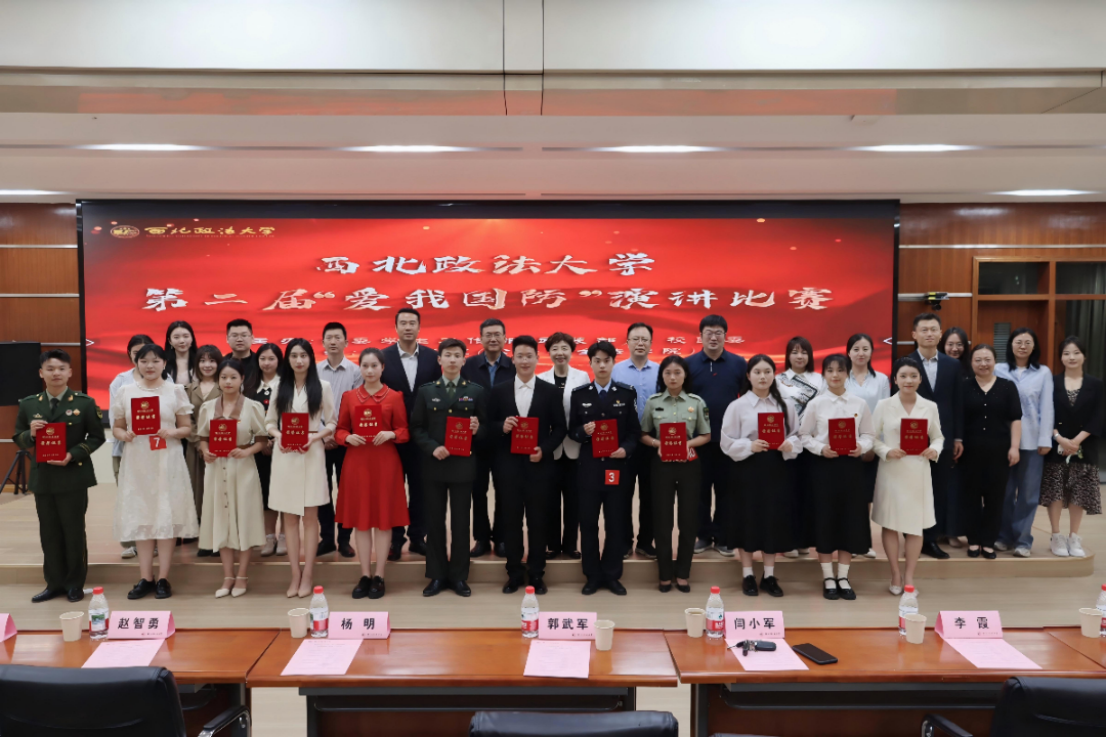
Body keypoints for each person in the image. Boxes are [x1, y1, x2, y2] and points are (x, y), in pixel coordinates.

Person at [14, 350, 105, 604]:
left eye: (61, 368)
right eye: (50, 369)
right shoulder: (29, 404)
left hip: (73, 475)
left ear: (70, 372)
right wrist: (30, 434)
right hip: (44, 478)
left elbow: (96, 437)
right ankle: (53, 583)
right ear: (41, 373)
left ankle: (74, 584)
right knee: (49, 532)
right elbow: (18, 437)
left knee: (73, 532)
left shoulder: (84, 403)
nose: (56, 373)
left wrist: (72, 454)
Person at [111, 344, 198, 600]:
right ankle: (145, 577)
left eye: (155, 360)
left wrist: (172, 431)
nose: (150, 365)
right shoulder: (126, 391)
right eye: (144, 361)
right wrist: (124, 435)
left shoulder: (175, 390)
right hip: (137, 461)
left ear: (164, 363)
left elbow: (186, 428)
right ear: (136, 363)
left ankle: (163, 578)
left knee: (165, 516)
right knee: (143, 516)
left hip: (167, 460)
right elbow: (117, 427)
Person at [488, 336, 567, 595]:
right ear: (513, 359)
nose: (524, 361)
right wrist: (502, 427)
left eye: (529, 356)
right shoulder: (499, 390)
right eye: (520, 356)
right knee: (510, 522)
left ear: (537, 359)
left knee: (537, 522)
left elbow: (560, 428)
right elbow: (487, 426)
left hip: (539, 468)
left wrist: (544, 449)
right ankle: (513, 573)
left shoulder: (550, 391)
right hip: (508, 468)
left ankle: (536, 574)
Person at [410, 338, 487, 598]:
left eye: (457, 355)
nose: (452, 359)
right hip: (434, 465)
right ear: (439, 360)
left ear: (464, 360)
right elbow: (417, 427)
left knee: (461, 523)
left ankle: (459, 576)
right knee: (434, 522)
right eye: (447, 355)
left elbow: (486, 429)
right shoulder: (426, 391)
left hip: (463, 467)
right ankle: (437, 575)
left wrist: (477, 430)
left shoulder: (475, 391)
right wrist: (432, 447)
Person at [719, 354, 800, 598]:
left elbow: (796, 435)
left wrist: (789, 445)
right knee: (747, 518)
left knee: (771, 519)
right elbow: (726, 442)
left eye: (767, 372)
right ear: (748, 376)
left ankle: (769, 575)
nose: (762, 376)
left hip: (776, 468)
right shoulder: (737, 406)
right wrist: (749, 446)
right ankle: (747, 575)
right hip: (746, 469)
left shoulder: (785, 404)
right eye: (757, 372)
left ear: (774, 375)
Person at [335, 348, 410, 600]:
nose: (369, 370)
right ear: (360, 368)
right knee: (362, 520)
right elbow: (340, 430)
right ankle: (365, 574)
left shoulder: (394, 397)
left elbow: (404, 431)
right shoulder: (349, 397)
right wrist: (347, 437)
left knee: (384, 519)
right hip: (357, 464)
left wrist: (392, 433)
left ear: (382, 368)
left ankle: (380, 575)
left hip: (385, 463)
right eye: (365, 366)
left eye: (374, 365)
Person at [799, 354, 875, 601]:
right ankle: (828, 577)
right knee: (825, 519)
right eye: (830, 370)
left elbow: (868, 434)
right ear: (823, 374)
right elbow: (803, 435)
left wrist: (861, 447)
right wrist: (821, 448)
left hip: (851, 468)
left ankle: (843, 576)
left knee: (849, 520)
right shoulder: (816, 404)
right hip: (824, 468)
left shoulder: (859, 403)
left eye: (840, 370)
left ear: (847, 373)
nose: (835, 375)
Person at [569, 341, 641, 596]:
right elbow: (572, 430)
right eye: (597, 361)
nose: (602, 365)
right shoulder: (580, 394)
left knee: (615, 523)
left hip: (616, 468)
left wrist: (626, 449)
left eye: (606, 360)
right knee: (588, 523)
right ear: (590, 363)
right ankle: (591, 575)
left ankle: (612, 575)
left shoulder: (626, 393)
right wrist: (582, 431)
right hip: (588, 469)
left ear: (613, 363)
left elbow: (634, 432)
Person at [265, 338, 336, 598]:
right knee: (290, 519)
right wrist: (280, 436)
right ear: (288, 359)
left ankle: (308, 574)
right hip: (285, 455)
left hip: (311, 453)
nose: (299, 360)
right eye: (294, 355)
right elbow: (270, 423)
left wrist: (315, 438)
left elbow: (332, 423)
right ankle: (294, 574)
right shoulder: (278, 386)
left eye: (303, 355)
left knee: (310, 517)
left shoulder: (323, 386)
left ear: (311, 359)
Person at [872, 357, 944, 595]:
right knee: (890, 523)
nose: (908, 380)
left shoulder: (930, 406)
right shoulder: (884, 405)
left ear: (920, 379)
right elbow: (871, 437)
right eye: (903, 376)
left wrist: (934, 449)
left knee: (915, 526)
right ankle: (895, 573)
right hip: (892, 470)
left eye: (913, 376)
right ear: (895, 379)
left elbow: (938, 437)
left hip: (918, 471)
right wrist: (886, 451)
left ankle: (910, 576)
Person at [197, 358, 268, 598]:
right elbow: (203, 438)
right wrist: (205, 452)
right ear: (218, 380)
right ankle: (227, 576)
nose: (228, 382)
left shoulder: (252, 407)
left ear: (242, 380)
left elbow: (262, 440)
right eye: (223, 377)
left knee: (244, 521)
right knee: (222, 520)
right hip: (216, 470)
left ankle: (242, 576)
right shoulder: (208, 408)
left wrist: (247, 451)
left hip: (243, 469)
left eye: (233, 377)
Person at [641, 356, 711, 593]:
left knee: (688, 520)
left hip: (689, 465)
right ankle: (664, 574)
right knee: (662, 520)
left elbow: (706, 435)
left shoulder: (696, 402)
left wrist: (687, 444)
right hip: (661, 465)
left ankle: (682, 573)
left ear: (685, 375)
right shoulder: (653, 402)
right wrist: (656, 444)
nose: (672, 377)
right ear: (662, 376)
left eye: (677, 373)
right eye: (668, 373)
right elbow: (643, 434)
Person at [381, 307, 441, 561]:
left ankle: (417, 537)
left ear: (419, 327)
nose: (408, 327)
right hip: (392, 436)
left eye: (412, 323)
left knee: (421, 488)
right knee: (393, 489)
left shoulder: (432, 357)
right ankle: (396, 540)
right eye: (403, 323)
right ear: (396, 327)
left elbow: (439, 393)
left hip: (423, 436)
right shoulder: (383, 357)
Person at [904, 313, 964, 560]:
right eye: (924, 329)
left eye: (933, 329)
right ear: (914, 334)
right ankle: (911, 538)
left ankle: (930, 540)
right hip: (911, 438)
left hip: (943, 437)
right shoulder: (905, 364)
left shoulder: (953, 365)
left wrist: (958, 438)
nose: (929, 334)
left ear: (940, 334)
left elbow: (958, 403)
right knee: (912, 491)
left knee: (938, 491)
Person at [687, 315, 747, 557]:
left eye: (718, 332)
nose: (713, 337)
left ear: (725, 336)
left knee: (727, 491)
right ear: (700, 336)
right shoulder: (689, 364)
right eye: (709, 333)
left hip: (728, 439)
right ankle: (703, 535)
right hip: (697, 439)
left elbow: (746, 397)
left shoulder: (738, 364)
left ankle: (723, 537)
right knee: (698, 491)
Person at [994, 327, 1054, 558]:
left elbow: (1047, 407)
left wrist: (1045, 439)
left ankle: (1023, 540)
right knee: (1004, 491)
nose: (1022, 346)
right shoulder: (999, 369)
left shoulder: (1043, 372)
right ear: (1010, 345)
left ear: (1034, 347)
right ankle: (1003, 536)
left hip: (1032, 441)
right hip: (1003, 440)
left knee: (1028, 495)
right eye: (1018, 342)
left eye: (1028, 342)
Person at [1042, 336, 1103, 558]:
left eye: (1076, 352)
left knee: (1079, 491)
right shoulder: (1051, 382)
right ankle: (1056, 536)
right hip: (1056, 444)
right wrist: (1059, 438)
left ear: (1084, 356)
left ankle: (1074, 537)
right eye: (1066, 353)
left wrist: (1076, 441)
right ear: (1061, 357)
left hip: (1085, 445)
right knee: (1056, 490)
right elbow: (1045, 413)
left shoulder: (1096, 384)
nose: (1071, 357)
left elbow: (1099, 417)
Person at [960, 344, 1022, 560]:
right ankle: (973, 540)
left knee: (995, 498)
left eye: (987, 359)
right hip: (969, 452)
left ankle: (988, 542)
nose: (983, 364)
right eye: (978, 360)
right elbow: (958, 419)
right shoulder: (964, 387)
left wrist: (1015, 447)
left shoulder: (1007, 386)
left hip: (1000, 451)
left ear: (995, 361)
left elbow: (1016, 419)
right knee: (970, 498)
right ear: (971, 362)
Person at [461, 318, 515, 559]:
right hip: (477, 439)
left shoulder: (513, 365)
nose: (493, 339)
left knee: (505, 489)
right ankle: (481, 538)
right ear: (480, 338)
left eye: (497, 335)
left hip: (507, 438)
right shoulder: (469, 366)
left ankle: (501, 538)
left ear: (505, 338)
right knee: (478, 490)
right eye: (488, 335)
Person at [537, 332, 590, 560]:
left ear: (572, 351)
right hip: (550, 449)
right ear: (548, 352)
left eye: (564, 348)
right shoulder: (540, 379)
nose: (560, 353)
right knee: (550, 499)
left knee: (573, 500)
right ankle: (552, 545)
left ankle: (570, 544)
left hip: (575, 447)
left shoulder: (582, 377)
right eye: (555, 348)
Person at [612, 322, 660, 560]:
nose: (640, 343)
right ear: (627, 342)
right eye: (635, 339)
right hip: (625, 442)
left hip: (652, 441)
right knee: (623, 494)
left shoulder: (661, 370)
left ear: (651, 343)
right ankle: (624, 542)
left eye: (645, 339)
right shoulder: (616, 370)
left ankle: (645, 542)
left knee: (651, 495)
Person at [777, 335, 826, 559]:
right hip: (787, 443)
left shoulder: (820, 380)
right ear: (788, 355)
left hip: (812, 444)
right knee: (787, 493)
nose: (799, 356)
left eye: (804, 352)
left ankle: (804, 540)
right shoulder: (779, 380)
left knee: (809, 493)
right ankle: (787, 542)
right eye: (795, 352)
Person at [316, 322, 361, 559]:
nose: (333, 342)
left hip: (347, 441)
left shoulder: (356, 371)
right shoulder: (314, 371)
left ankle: (344, 539)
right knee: (322, 490)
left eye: (337, 337)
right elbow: (310, 407)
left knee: (347, 491)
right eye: (329, 338)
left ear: (346, 342)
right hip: (320, 441)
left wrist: (339, 433)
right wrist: (324, 433)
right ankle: (326, 539)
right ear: (323, 342)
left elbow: (358, 407)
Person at [845, 333, 891, 559]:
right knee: (848, 495)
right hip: (844, 446)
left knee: (865, 496)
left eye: (865, 349)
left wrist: (871, 445)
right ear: (848, 353)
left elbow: (884, 414)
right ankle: (847, 541)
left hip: (871, 446)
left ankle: (864, 542)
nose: (861, 353)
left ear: (872, 352)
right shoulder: (841, 378)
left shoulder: (881, 379)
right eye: (856, 349)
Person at [109, 333, 154, 560]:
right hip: (126, 449)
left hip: (155, 450)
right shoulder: (120, 381)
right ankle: (131, 543)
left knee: (153, 498)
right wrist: (127, 432)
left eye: (147, 354)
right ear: (130, 355)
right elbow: (114, 418)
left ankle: (153, 542)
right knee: (130, 498)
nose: (143, 359)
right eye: (138, 354)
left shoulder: (164, 379)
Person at [246, 343, 285, 558]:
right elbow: (245, 419)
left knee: (286, 492)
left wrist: (277, 439)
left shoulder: (287, 385)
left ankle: (285, 536)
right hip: (259, 449)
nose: (267, 363)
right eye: (263, 359)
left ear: (279, 361)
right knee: (265, 494)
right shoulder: (249, 387)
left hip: (286, 447)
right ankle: (269, 537)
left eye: (271, 358)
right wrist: (260, 441)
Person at [185, 344, 223, 555]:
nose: (207, 365)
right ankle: (203, 538)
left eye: (212, 360)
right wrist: (200, 443)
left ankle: (219, 539)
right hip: (195, 449)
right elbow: (186, 419)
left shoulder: (226, 385)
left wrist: (212, 444)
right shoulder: (188, 389)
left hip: (220, 449)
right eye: (202, 361)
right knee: (197, 491)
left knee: (219, 492)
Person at [225, 319, 259, 386]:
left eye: (244, 335)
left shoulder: (260, 363)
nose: (239, 339)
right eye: (234, 336)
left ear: (252, 338)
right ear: (227, 339)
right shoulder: (221, 363)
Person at [164, 320, 197, 385]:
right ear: (170, 341)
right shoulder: (163, 362)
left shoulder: (200, 360)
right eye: (176, 337)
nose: (182, 341)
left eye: (186, 336)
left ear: (192, 338)